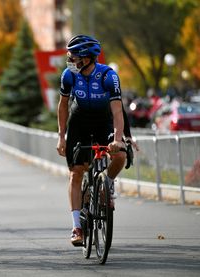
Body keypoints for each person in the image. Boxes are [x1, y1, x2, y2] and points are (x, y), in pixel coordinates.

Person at [56, 35, 137, 246]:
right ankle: (77, 227)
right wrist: (61, 136)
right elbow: (63, 106)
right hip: (79, 121)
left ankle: (107, 183)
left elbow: (118, 111)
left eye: (73, 58)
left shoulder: (108, 76)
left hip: (104, 121)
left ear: (86, 58)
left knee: (119, 155)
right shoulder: (69, 76)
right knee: (76, 173)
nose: (70, 61)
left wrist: (119, 140)